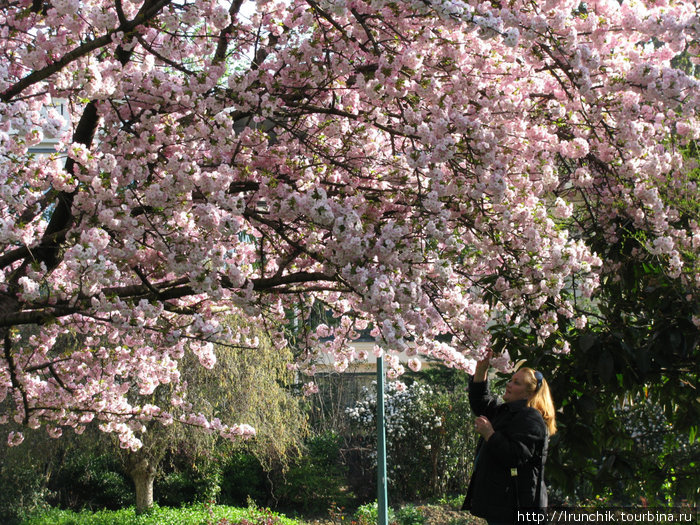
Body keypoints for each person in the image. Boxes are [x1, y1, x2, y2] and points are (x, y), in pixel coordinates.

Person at [462, 350, 557, 525]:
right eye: (511, 380)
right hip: (504, 504)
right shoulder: (508, 412)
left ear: (529, 394)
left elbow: (515, 456)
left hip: (517, 507)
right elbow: (482, 402)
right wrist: (481, 370)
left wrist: (490, 434)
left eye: (516, 383)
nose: (509, 384)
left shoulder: (531, 418)